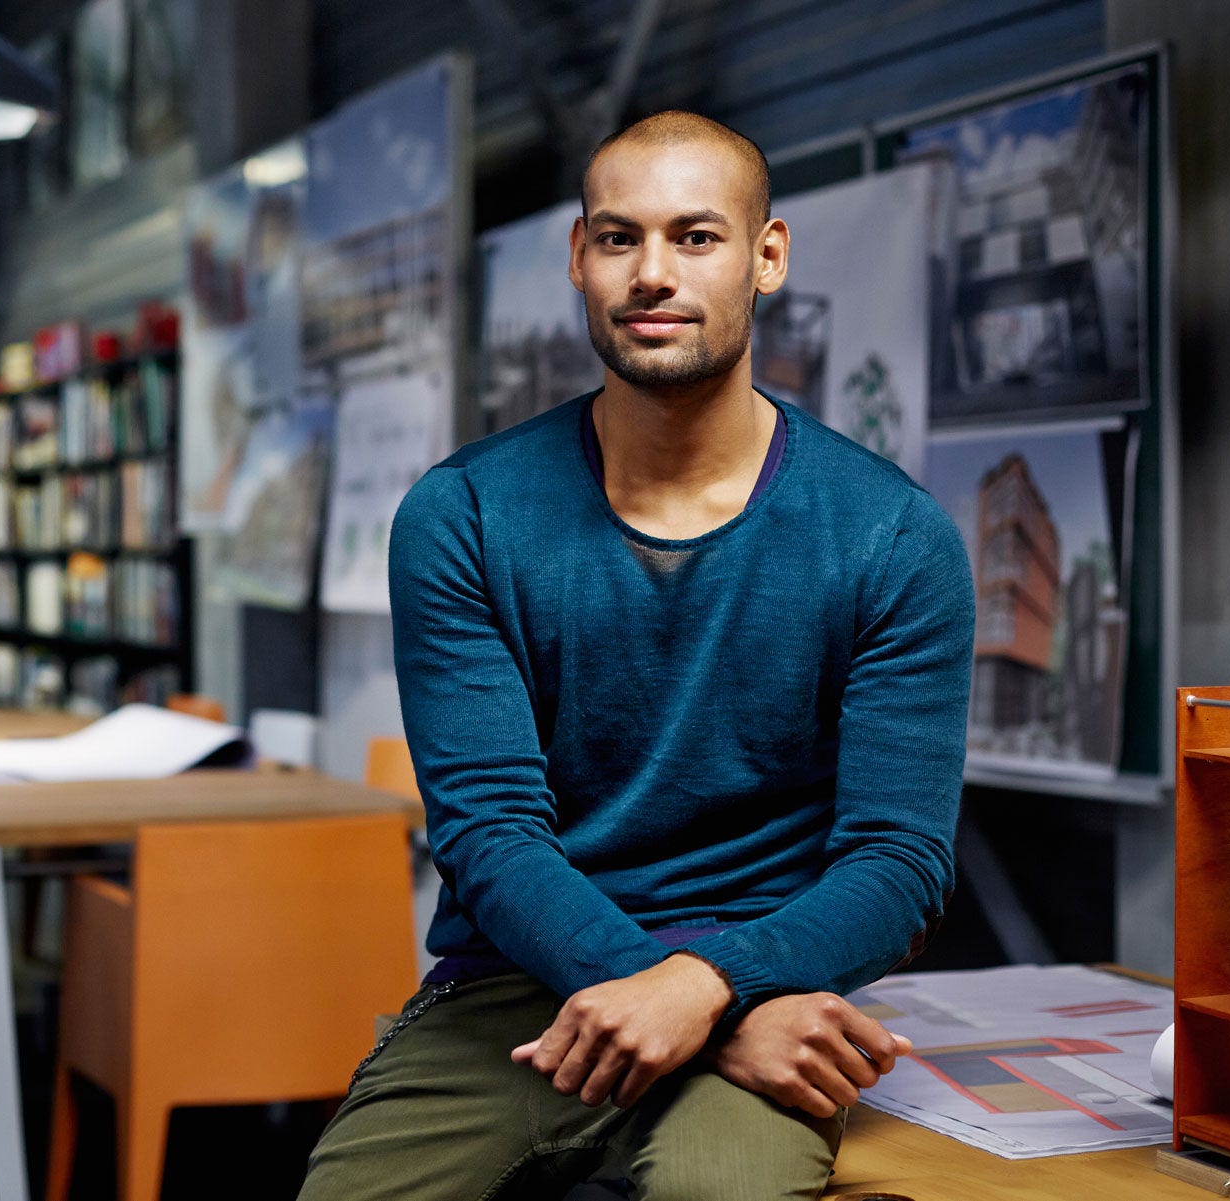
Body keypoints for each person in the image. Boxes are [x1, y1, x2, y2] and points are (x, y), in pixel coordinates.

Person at [296, 111, 975, 1201]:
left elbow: (897, 860)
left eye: (696, 238)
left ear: (766, 257)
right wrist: (678, 1001)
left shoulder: (890, 536)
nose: (651, 273)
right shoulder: (463, 513)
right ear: (577, 258)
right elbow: (484, 830)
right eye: (618, 238)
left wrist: (708, 987)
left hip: (768, 975)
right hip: (517, 979)